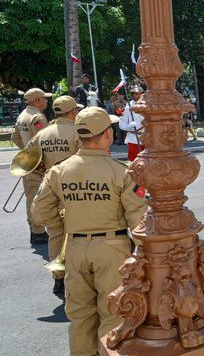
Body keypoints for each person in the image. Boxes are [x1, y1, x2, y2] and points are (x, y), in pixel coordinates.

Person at [31, 107, 147, 356]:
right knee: (114, 313)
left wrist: (66, 222)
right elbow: (139, 220)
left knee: (80, 316)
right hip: (113, 250)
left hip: (74, 248)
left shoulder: (59, 171)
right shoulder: (122, 171)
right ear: (106, 135)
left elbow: (39, 214)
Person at [26, 96, 83, 294]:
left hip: (50, 188)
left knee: (56, 234)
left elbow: (28, 159)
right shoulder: (78, 131)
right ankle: (75, 278)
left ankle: (58, 279)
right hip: (74, 190)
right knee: (77, 235)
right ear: (73, 112)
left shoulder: (43, 133)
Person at [11, 87, 51, 245]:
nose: (47, 101)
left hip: (28, 162)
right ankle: (38, 232)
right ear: (37, 100)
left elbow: (15, 136)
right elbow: (42, 141)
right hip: (38, 164)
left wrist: (26, 152)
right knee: (37, 198)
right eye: (44, 98)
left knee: (31, 196)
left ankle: (36, 230)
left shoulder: (22, 115)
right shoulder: (37, 118)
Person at [119, 87, 145, 161]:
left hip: (147, 139)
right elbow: (121, 124)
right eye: (136, 94)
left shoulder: (148, 105)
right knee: (134, 162)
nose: (139, 95)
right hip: (134, 138)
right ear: (132, 94)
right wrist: (129, 126)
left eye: (141, 93)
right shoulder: (128, 106)